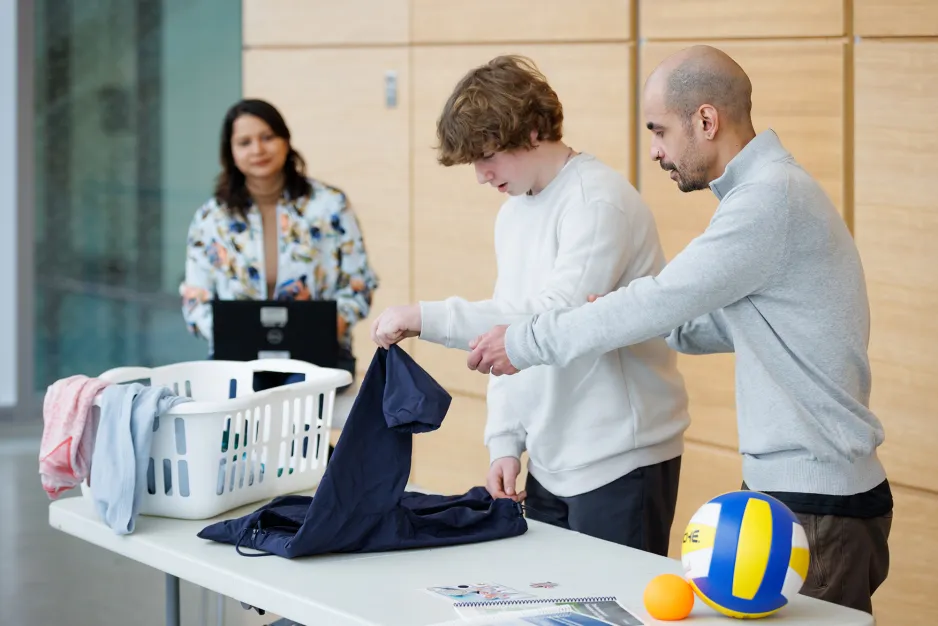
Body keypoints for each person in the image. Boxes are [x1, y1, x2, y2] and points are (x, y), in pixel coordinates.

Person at [466, 45, 892, 614]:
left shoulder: (768, 201)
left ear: (706, 120)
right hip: (793, 491)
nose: (655, 150)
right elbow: (703, 321)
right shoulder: (766, 195)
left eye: (660, 130)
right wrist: (623, 311)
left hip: (819, 501)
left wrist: (523, 341)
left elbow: (663, 299)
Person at [370, 55, 690, 556]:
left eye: (488, 155)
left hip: (621, 455)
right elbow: (509, 326)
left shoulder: (595, 201)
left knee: (615, 611)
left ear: (536, 129)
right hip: (553, 456)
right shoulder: (514, 213)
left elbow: (551, 322)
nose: (481, 175)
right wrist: (504, 440)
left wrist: (426, 318)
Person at [180, 98, 379, 391]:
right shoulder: (211, 218)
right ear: (231, 152)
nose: (258, 150)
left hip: (318, 357)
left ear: (285, 140)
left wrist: (332, 324)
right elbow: (195, 300)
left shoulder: (330, 205)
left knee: (296, 399)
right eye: (244, 142)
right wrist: (227, 333)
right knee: (243, 400)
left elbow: (359, 284)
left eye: (267, 137)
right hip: (237, 361)